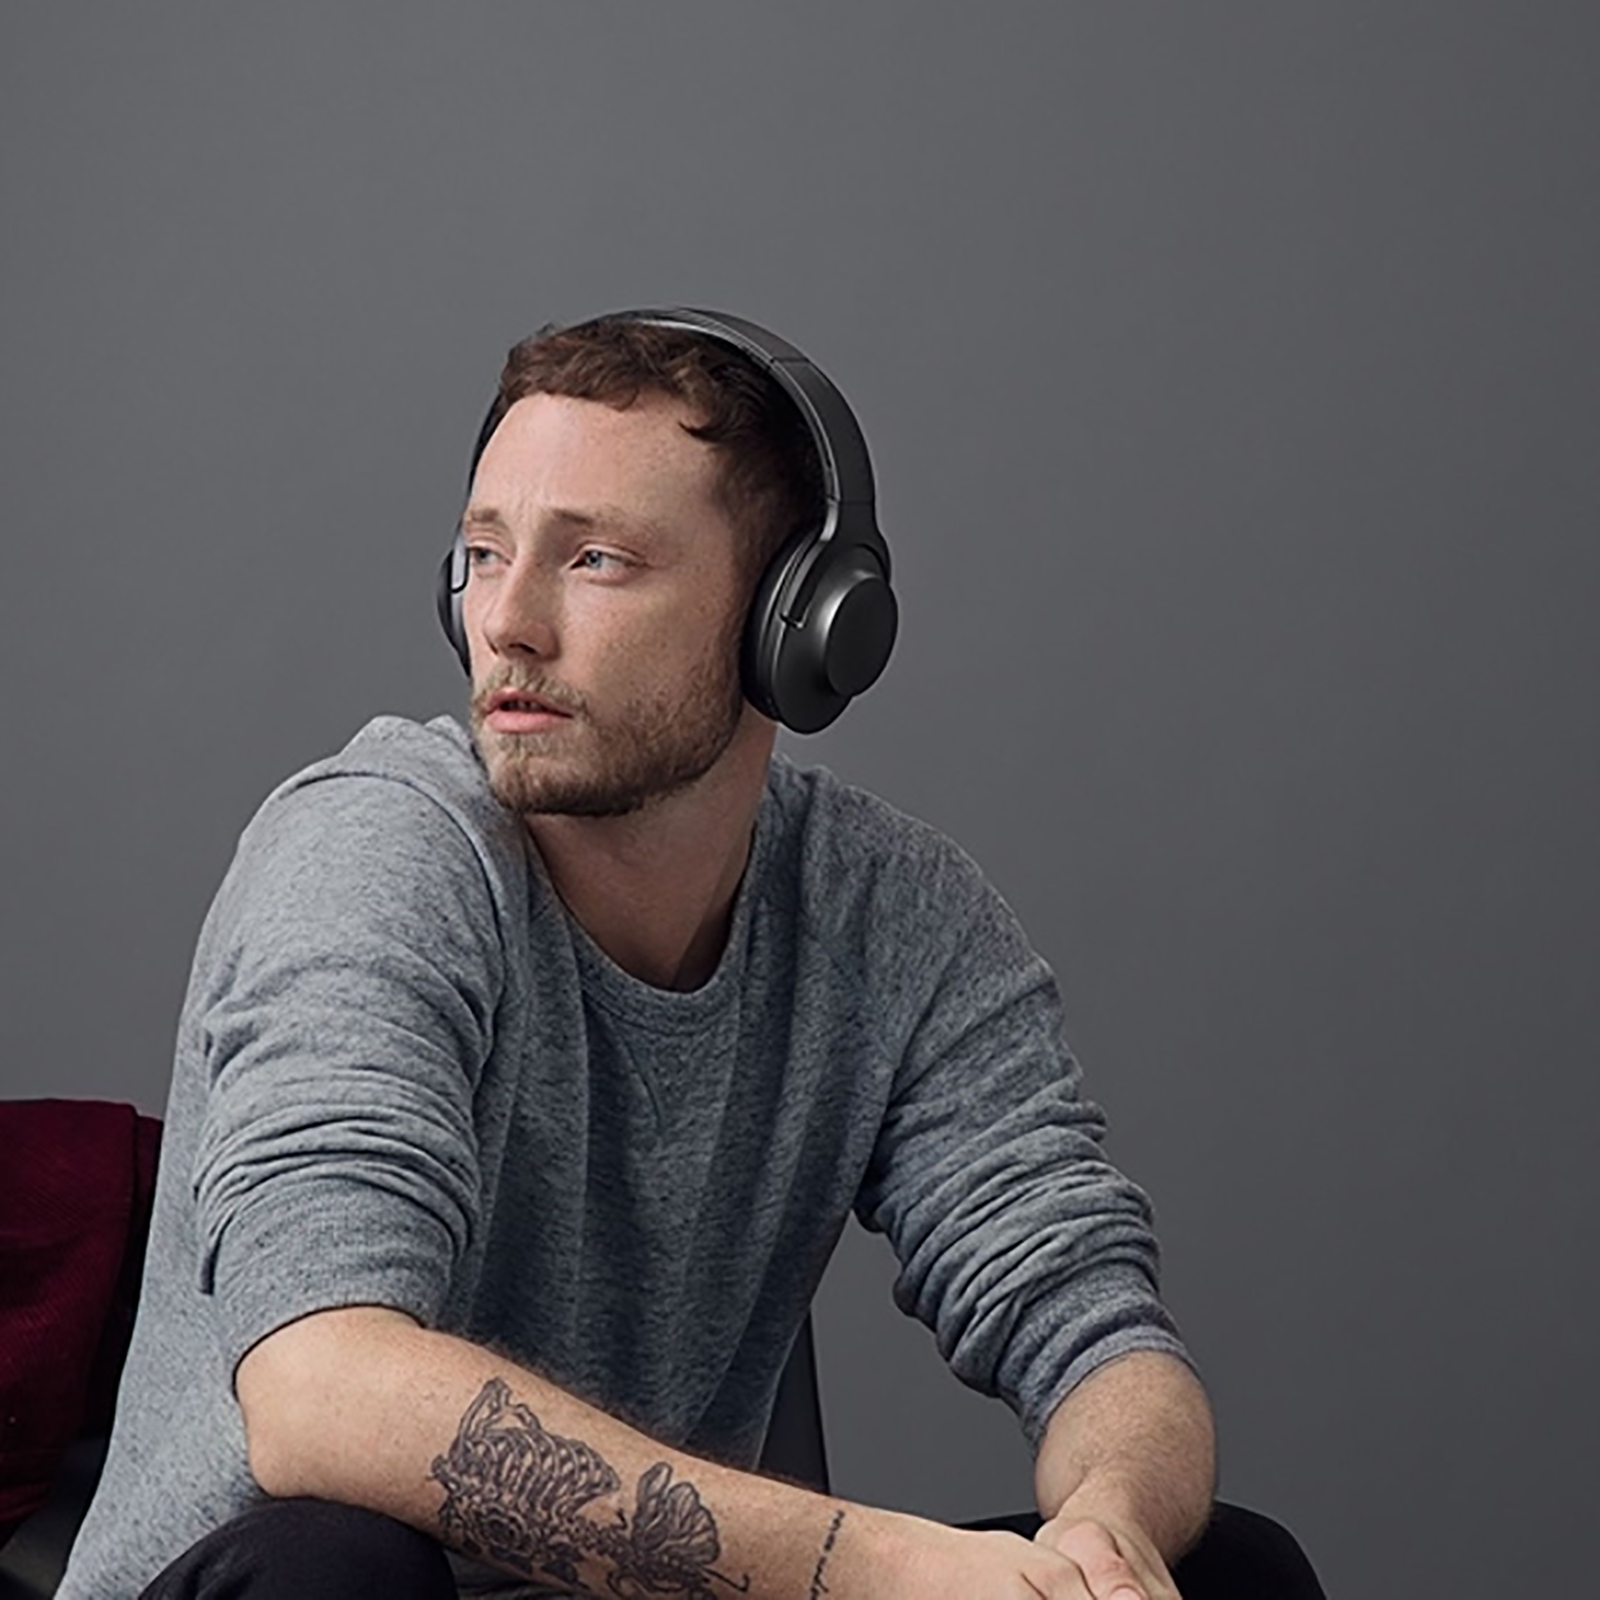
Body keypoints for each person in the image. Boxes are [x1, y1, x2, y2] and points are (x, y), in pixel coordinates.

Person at [59, 311, 1219, 1600]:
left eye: (596, 560)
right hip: (298, 1585)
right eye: (483, 554)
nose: (509, 622)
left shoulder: (894, 913)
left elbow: (1101, 1333)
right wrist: (873, 1563)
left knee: (1230, 1565)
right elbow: (316, 1387)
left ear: (797, 622)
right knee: (335, 1566)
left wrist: (1108, 1534)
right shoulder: (374, 851)